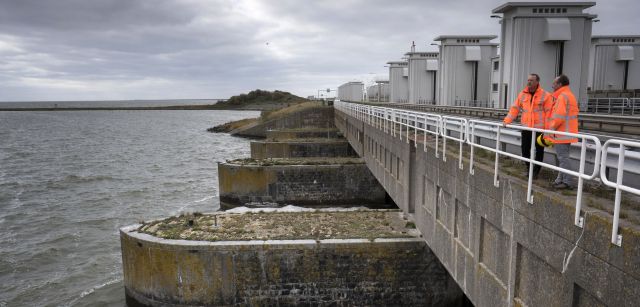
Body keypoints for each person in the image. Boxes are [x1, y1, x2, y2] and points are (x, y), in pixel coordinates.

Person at [503, 73, 553, 179]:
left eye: (531, 80)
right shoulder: (522, 94)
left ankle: (535, 172)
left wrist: (548, 130)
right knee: (525, 150)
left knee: (539, 151)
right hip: (526, 128)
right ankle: (529, 168)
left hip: (540, 129)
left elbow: (549, 113)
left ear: (537, 82)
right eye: (528, 80)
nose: (529, 82)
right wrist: (507, 120)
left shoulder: (545, 95)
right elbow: (514, 109)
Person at [546, 74, 579, 189]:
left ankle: (567, 182)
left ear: (560, 84)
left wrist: (551, 128)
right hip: (567, 133)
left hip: (562, 133)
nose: (552, 85)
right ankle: (560, 179)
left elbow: (559, 116)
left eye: (554, 83)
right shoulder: (569, 95)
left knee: (563, 158)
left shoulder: (562, 96)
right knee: (562, 158)